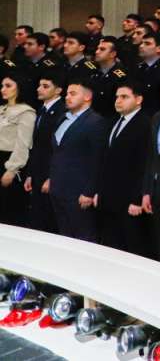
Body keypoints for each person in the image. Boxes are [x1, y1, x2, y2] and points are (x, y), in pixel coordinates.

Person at [47, 74, 107, 242]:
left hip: (79, 192)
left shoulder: (95, 122)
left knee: (84, 237)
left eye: (73, 93)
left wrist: (89, 191)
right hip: (58, 188)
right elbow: (57, 152)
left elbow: (98, 160)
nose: (67, 97)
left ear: (87, 97)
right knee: (64, 236)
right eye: (67, 93)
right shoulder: (62, 118)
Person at [95, 82, 149, 256]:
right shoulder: (113, 121)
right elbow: (105, 161)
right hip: (108, 197)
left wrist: (137, 199)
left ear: (138, 99)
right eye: (117, 97)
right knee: (110, 245)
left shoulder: (145, 124)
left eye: (124, 97)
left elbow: (143, 165)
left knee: (131, 247)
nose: (118, 100)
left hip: (129, 199)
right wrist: (98, 192)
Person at [23, 74, 64, 233]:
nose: (39, 89)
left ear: (58, 90)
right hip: (38, 171)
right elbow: (36, 145)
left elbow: (57, 149)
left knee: (48, 220)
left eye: (45, 86)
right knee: (36, 216)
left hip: (50, 173)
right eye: (39, 85)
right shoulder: (42, 109)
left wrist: (51, 177)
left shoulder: (61, 111)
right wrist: (30, 174)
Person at [0, 74, 35, 225]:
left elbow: (23, 143)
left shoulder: (26, 112)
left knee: (8, 211)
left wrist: (12, 169)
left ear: (19, 87)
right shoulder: (2, 108)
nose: (3, 89)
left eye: (8, 86)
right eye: (2, 86)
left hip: (10, 161)